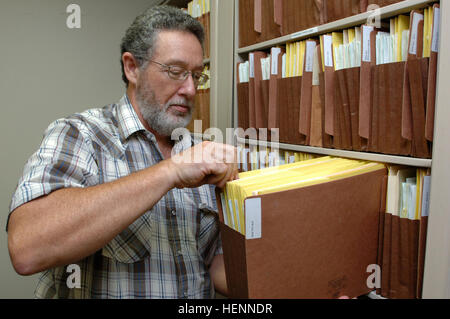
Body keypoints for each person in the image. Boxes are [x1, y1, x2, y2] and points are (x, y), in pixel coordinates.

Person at [7, 5, 238, 299]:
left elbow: (215, 266)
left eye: (197, 75)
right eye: (176, 72)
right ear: (132, 68)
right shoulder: (81, 134)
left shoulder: (199, 153)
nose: (190, 89)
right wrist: (170, 171)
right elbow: (27, 247)